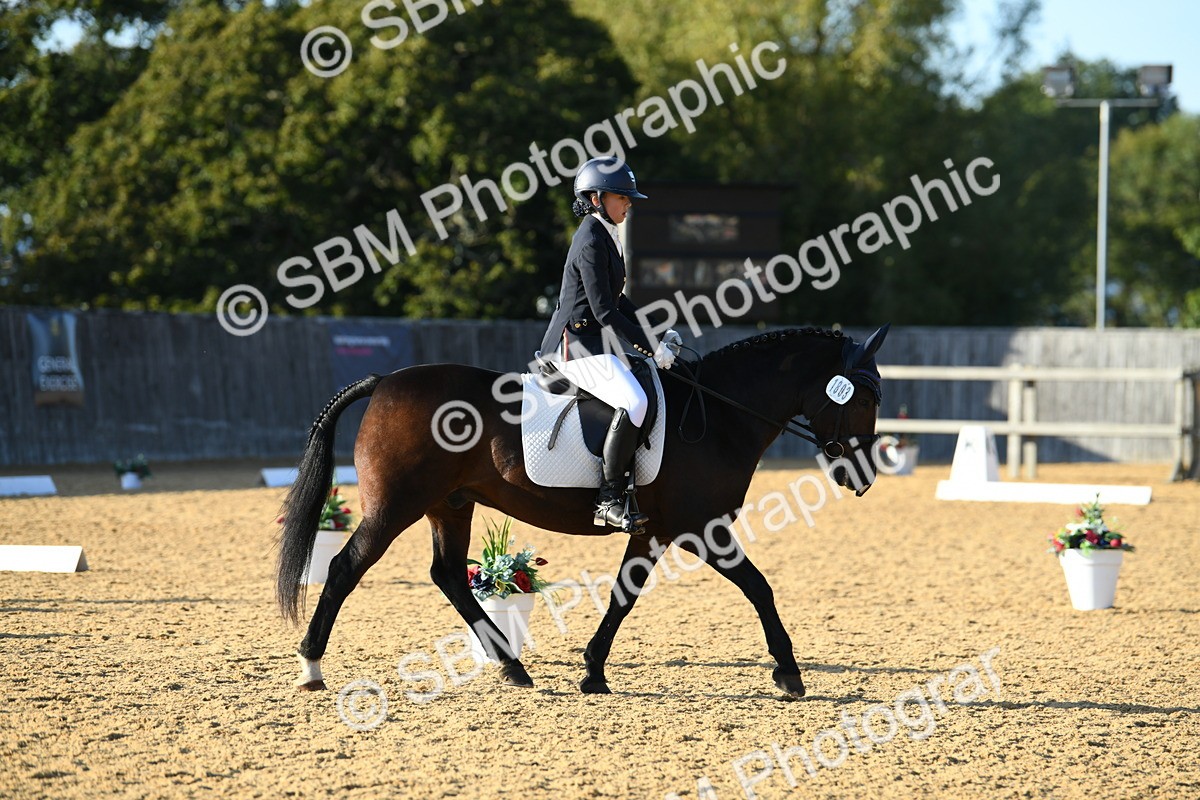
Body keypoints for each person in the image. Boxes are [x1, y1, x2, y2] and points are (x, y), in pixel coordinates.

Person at [536, 156, 682, 531]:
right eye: (622, 197)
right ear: (597, 198)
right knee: (633, 402)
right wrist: (652, 349)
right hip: (574, 346)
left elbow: (619, 301)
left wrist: (655, 334)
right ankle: (609, 498)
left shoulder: (605, 233)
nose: (629, 203)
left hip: (595, 342)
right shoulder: (589, 239)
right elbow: (603, 312)